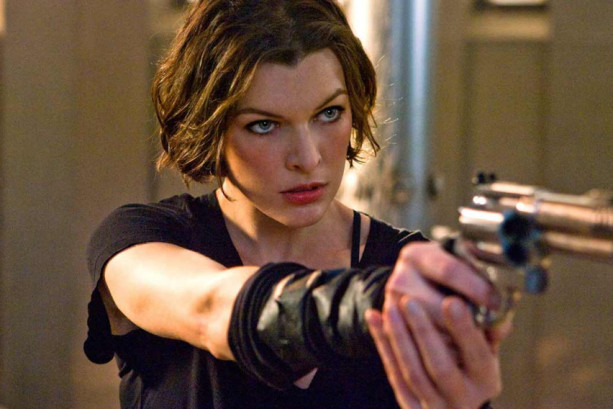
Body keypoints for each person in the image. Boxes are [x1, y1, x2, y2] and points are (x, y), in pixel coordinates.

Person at [83, 0, 511, 408]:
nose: (307, 158)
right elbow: (211, 309)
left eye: (329, 114)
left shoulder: (405, 264)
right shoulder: (141, 239)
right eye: (264, 125)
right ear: (210, 127)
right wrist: (381, 301)